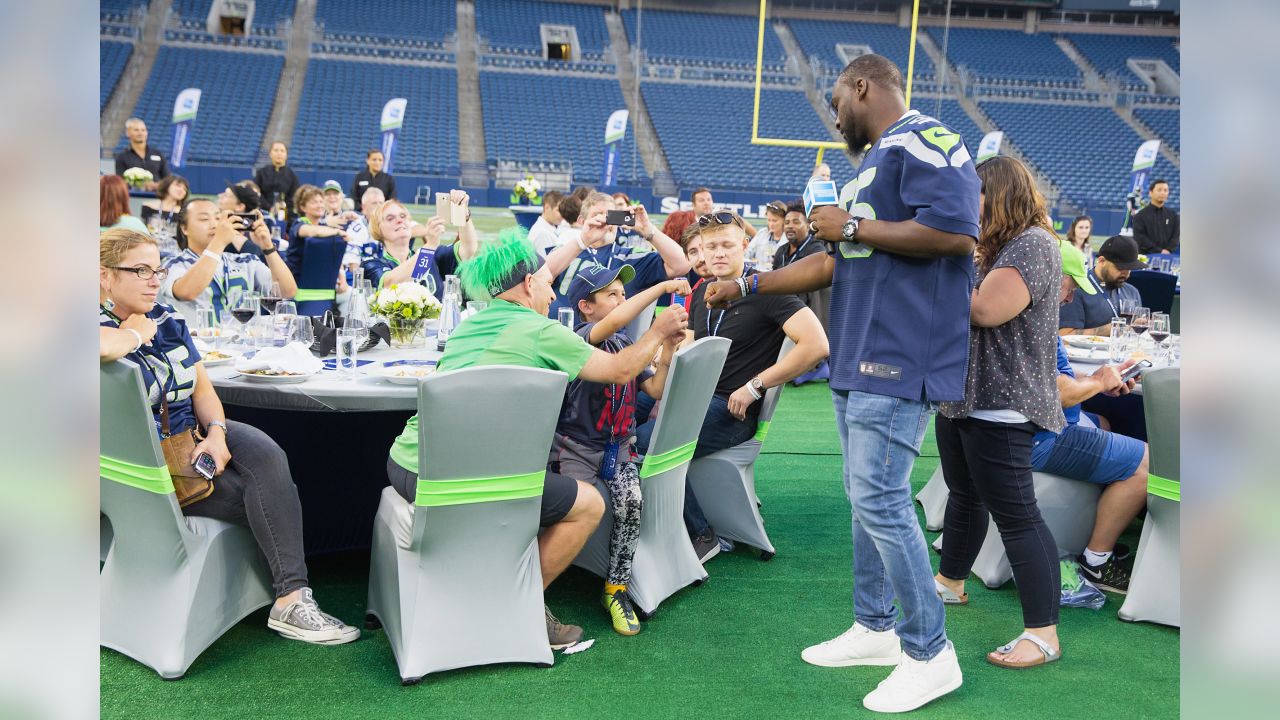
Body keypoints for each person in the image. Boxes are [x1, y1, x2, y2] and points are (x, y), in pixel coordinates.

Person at [705, 54, 977, 712]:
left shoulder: (926, 138)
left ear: (863, 86)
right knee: (864, 497)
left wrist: (854, 225)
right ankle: (875, 627)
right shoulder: (873, 162)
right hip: (860, 353)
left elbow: (955, 232)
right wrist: (752, 282)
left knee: (881, 498)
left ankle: (929, 652)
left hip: (902, 350)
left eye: (836, 99)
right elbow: (834, 261)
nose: (832, 115)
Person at [384, 229, 689, 649]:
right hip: (462, 480)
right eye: (548, 282)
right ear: (529, 284)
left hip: (406, 466)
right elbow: (620, 371)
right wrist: (657, 333)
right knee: (589, 504)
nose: (552, 293)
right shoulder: (541, 330)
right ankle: (516, 604)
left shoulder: (470, 325)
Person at [99, 228, 357, 645]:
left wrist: (217, 435)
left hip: (192, 433)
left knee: (268, 454)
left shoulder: (167, 319)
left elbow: (203, 390)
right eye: (140, 270)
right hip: (145, 459)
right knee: (255, 497)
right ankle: (290, 593)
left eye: (157, 269)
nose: (154, 279)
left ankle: (291, 600)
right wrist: (135, 335)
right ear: (104, 276)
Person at [933, 156, 1065, 671]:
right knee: (964, 495)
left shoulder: (1032, 243)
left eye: (975, 194)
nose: (968, 204)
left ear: (999, 193)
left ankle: (1043, 632)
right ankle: (949, 581)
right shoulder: (995, 246)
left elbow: (987, 310)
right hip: (965, 397)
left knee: (1017, 515)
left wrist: (941, 270)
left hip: (1003, 403)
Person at [637, 212, 828, 561]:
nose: (719, 253)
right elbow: (691, 350)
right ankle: (644, 521)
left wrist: (756, 385)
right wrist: (659, 358)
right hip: (699, 401)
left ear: (744, 246)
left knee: (644, 442)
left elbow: (817, 346)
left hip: (733, 411)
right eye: (711, 247)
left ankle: (701, 533)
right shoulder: (703, 293)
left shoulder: (767, 289)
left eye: (727, 245)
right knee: (628, 413)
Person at [554, 266, 688, 635]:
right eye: (611, 294)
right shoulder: (582, 337)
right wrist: (662, 287)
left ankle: (615, 588)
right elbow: (610, 325)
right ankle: (546, 578)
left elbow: (656, 389)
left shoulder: (626, 344)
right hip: (575, 449)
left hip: (619, 448)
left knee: (631, 503)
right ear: (585, 306)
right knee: (566, 510)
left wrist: (669, 345)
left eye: (622, 293)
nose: (622, 299)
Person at [1032, 242, 1149, 594]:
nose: (1070, 299)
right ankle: (1097, 561)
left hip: (1036, 429)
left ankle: (1095, 528)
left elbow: (1059, 384)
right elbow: (1058, 393)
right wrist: (1097, 382)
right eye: (1070, 288)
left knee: (1106, 425)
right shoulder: (1036, 323)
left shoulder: (1030, 315)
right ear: (1053, 278)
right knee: (1149, 463)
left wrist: (1096, 383)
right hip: (1046, 436)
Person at [544, 192, 691, 319]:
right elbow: (542, 274)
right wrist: (583, 240)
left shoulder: (631, 256)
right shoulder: (567, 251)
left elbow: (681, 265)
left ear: (619, 219)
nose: (603, 222)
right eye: (596, 215)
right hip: (564, 337)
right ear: (582, 221)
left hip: (612, 344)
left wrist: (648, 230)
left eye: (610, 216)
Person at [163, 198, 297, 323]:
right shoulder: (174, 264)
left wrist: (268, 247)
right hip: (200, 346)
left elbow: (287, 292)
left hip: (245, 345)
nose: (214, 224)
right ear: (184, 228)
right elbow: (187, 292)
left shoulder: (245, 261)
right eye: (204, 219)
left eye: (218, 218)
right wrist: (219, 241)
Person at [363, 194, 479, 298]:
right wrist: (430, 246)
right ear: (378, 229)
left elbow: (468, 248)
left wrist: (463, 213)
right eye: (390, 218)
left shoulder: (434, 255)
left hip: (438, 321)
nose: (399, 221)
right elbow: (390, 284)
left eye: (403, 216)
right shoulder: (371, 264)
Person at [776, 201, 832, 382]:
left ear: (808, 225)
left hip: (811, 303)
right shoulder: (781, 251)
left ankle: (815, 363)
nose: (790, 226)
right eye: (787, 222)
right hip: (787, 300)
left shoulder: (815, 248)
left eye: (796, 222)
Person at [1059, 235, 1147, 336]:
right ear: (1101, 261)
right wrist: (1107, 330)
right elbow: (1064, 335)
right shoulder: (1076, 288)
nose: (1126, 274)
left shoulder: (1132, 292)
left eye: (1130, 268)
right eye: (1120, 268)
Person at [283, 185, 349, 279]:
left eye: (321, 202)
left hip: (324, 285)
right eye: (314, 202)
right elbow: (312, 231)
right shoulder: (299, 224)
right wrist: (337, 231)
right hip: (298, 284)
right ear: (302, 207)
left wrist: (342, 277)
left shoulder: (325, 228)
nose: (320, 205)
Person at [114, 118, 169, 190]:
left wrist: (156, 186)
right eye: (136, 130)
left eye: (143, 130)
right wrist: (139, 186)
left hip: (157, 197)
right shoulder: (121, 157)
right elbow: (120, 182)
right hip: (133, 197)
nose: (140, 133)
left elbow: (167, 179)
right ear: (127, 133)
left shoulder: (158, 154)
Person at [254, 141, 300, 221]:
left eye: (282, 151)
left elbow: (294, 196)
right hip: (263, 213)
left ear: (286, 155)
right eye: (276, 150)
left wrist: (282, 207)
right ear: (270, 154)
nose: (279, 153)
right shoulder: (262, 173)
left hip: (286, 215)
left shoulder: (292, 175)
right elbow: (256, 193)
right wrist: (269, 208)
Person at [1131, 179, 1179, 255]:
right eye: (1159, 190)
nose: (1162, 193)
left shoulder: (1173, 215)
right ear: (1151, 193)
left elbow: (1176, 235)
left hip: (1169, 257)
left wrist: (1168, 250)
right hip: (1146, 257)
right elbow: (1140, 238)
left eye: (1165, 190)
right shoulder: (1140, 216)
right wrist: (1159, 251)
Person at [744, 201, 787, 271]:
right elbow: (747, 253)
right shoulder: (762, 234)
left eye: (775, 220)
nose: (771, 224)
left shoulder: (789, 238)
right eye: (769, 220)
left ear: (784, 220)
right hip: (760, 275)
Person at [527, 189, 565, 256]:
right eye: (559, 210)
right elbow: (546, 264)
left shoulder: (549, 227)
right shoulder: (542, 233)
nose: (563, 214)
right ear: (547, 208)